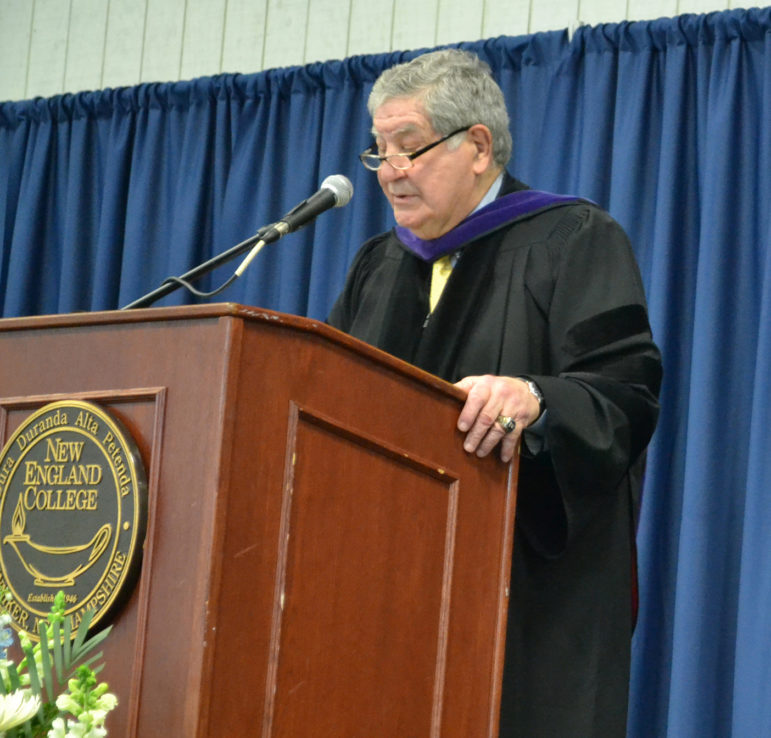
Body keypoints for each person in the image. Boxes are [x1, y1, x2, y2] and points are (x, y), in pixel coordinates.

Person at [327, 48, 662, 737]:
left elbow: (626, 394)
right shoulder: (378, 266)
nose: (389, 171)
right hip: (385, 599)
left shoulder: (573, 238)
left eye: (408, 148)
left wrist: (536, 399)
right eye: (379, 151)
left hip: (527, 607)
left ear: (477, 146)